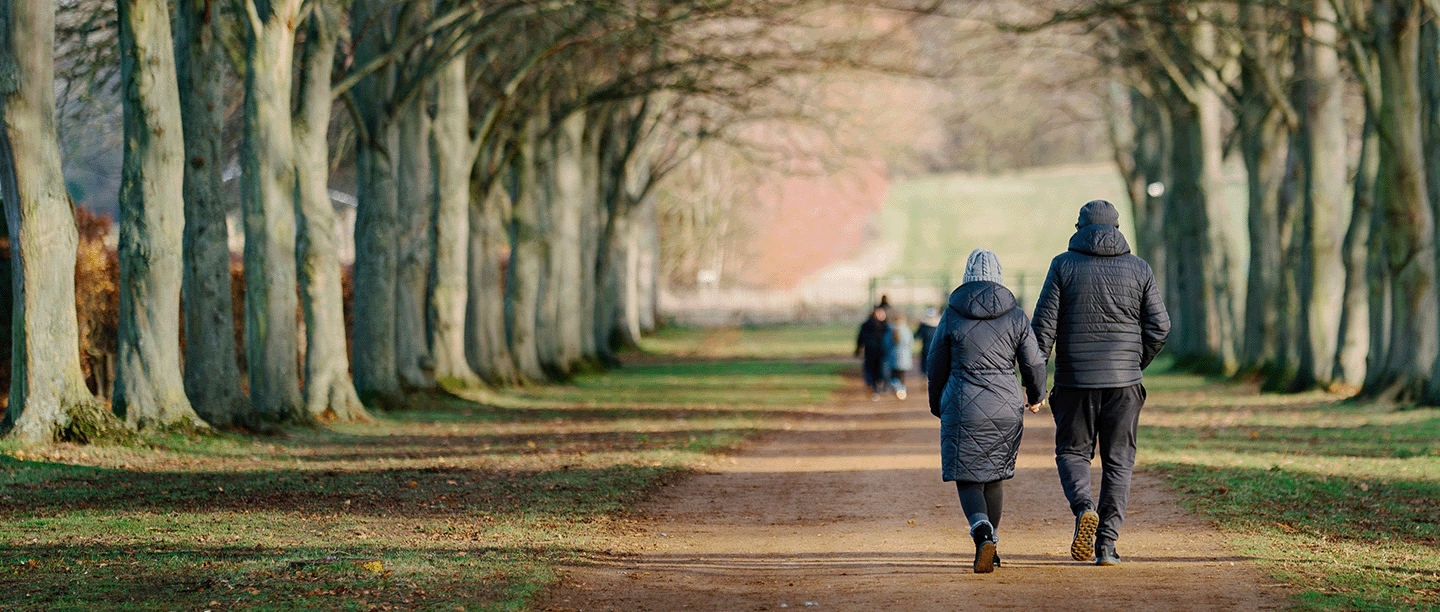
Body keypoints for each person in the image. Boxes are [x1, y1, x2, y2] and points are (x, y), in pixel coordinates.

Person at [1031, 199, 1170, 567]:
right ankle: (1107, 545)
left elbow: (1042, 331)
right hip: (1124, 383)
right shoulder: (1139, 268)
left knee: (1073, 452)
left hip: (1076, 379)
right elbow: (1160, 327)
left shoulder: (1062, 265)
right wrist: (1134, 363)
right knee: (1119, 461)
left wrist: (1036, 383)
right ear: (1118, 228)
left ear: (1079, 229)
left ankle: (1084, 508)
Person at [928, 249, 1046, 574]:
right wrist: (1036, 395)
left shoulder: (952, 315)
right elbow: (1034, 361)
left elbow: (935, 362)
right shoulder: (1016, 316)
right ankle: (991, 543)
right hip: (1007, 406)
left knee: (967, 476)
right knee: (994, 476)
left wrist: (936, 402)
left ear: (966, 277)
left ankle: (982, 532)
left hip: (962, 405)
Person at [855, 305, 891, 401]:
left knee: (881, 371)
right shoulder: (868, 325)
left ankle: (879, 387)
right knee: (872, 370)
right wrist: (858, 349)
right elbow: (860, 338)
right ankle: (874, 388)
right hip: (871, 351)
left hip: (882, 352)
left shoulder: (886, 326)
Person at [888, 315, 913, 400]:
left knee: (893, 376)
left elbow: (885, 343)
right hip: (905, 358)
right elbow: (911, 343)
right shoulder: (907, 330)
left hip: (893, 357)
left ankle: (898, 389)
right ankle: (902, 390)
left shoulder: (890, 330)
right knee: (901, 376)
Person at [914, 307, 940, 375]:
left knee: (926, 367)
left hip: (926, 348)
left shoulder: (923, 325)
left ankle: (926, 380)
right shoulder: (939, 325)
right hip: (935, 348)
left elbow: (917, 336)